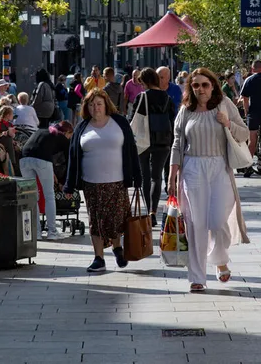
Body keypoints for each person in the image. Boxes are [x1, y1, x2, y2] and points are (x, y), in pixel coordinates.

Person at [169, 68, 250, 292]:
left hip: (219, 167)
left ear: (213, 85)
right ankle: (197, 277)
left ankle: (220, 258)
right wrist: (172, 174)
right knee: (196, 225)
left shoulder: (224, 105)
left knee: (217, 221)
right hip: (193, 168)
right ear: (190, 88)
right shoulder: (185, 111)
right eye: (195, 85)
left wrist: (227, 123)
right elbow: (177, 144)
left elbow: (244, 134)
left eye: (205, 85)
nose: (200, 89)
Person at [65, 88, 141, 273]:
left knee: (116, 220)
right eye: (91, 104)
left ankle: (117, 248)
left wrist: (137, 177)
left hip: (117, 181)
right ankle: (98, 258)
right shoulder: (82, 127)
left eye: (99, 104)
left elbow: (132, 150)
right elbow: (73, 157)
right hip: (91, 182)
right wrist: (68, 184)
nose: (95, 108)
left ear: (106, 105)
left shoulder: (120, 123)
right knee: (96, 220)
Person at [131, 68, 175, 226]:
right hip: (163, 140)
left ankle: (148, 208)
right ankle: (153, 212)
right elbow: (173, 118)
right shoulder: (167, 97)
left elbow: (134, 119)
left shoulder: (142, 97)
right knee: (157, 177)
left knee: (145, 176)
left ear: (145, 81)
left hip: (144, 140)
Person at [20, 121, 73, 240]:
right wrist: (63, 182)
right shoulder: (62, 138)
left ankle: (36, 233)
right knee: (49, 195)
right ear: (67, 132)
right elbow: (69, 161)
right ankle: (52, 232)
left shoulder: (42, 131)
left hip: (24, 159)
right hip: (42, 160)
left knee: (32, 196)